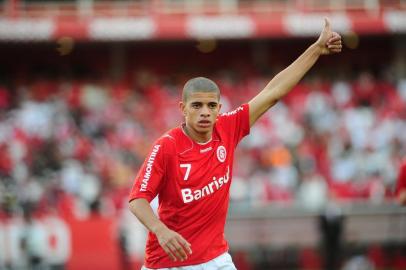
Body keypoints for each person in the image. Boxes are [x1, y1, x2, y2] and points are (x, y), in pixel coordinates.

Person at [129, 18, 342, 269]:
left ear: (219, 109)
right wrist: (161, 231)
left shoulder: (228, 128)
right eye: (196, 105)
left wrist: (316, 49)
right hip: (169, 263)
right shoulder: (167, 146)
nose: (205, 112)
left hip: (216, 259)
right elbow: (137, 200)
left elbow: (274, 91)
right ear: (182, 109)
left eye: (211, 106)